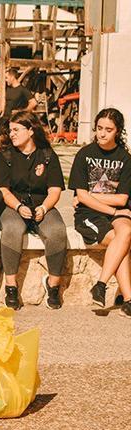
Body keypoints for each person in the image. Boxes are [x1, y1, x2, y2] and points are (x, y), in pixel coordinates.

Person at [0, 111, 67, 310]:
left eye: (16, 130)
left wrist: (44, 207)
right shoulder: (5, 156)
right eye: (10, 130)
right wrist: (18, 206)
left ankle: (53, 285)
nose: (12, 134)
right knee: (11, 228)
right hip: (13, 205)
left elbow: (55, 189)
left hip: (43, 204)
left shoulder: (48, 155)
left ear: (31, 130)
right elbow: (3, 190)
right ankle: (11, 286)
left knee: (57, 231)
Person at [68, 108, 131, 317]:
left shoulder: (125, 158)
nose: (102, 134)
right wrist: (111, 209)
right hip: (89, 215)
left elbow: (122, 198)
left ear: (118, 131)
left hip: (116, 210)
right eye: (99, 128)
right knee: (121, 240)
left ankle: (101, 284)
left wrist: (87, 196)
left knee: (126, 234)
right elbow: (83, 198)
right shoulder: (84, 154)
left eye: (109, 130)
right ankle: (129, 300)